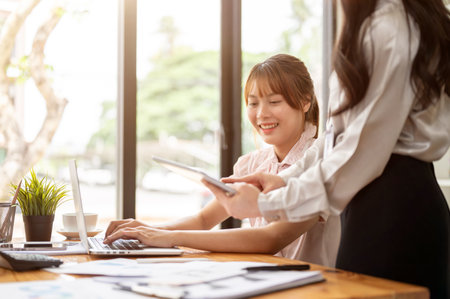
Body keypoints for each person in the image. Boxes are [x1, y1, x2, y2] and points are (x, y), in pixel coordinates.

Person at [205, 0, 450, 297]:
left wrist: (265, 204)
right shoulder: (380, 22)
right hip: (371, 206)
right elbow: (340, 138)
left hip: (394, 210)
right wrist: (286, 179)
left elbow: (360, 154)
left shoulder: (391, 26)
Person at [104, 54, 340, 267]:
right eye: (253, 103)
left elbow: (270, 239)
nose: (261, 114)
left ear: (305, 101)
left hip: (313, 287)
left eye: (274, 101)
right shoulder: (251, 164)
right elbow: (204, 218)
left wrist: (169, 237)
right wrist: (147, 229)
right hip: (261, 280)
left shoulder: (322, 163)